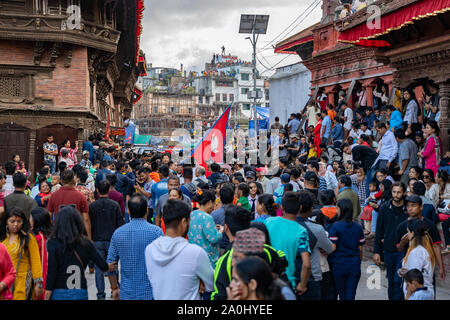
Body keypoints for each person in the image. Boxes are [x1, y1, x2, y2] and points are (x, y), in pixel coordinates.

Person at [145, 199, 214, 300]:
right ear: (184, 222)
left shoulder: (150, 250)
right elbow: (211, 283)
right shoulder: (195, 253)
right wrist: (199, 280)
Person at [45, 206, 116, 300]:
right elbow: (101, 264)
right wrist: (109, 266)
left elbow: (51, 271)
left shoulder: (53, 243)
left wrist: (48, 292)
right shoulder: (86, 243)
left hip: (59, 291)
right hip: (79, 291)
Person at [107, 194, 164, 300]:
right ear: (146, 210)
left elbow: (110, 264)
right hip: (150, 292)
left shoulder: (118, 233)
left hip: (127, 292)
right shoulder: (157, 232)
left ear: (129, 211)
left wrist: (114, 288)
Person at [264, 192, 311, 295]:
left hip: (267, 280)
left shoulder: (268, 222)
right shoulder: (301, 231)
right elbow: (306, 264)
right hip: (287, 283)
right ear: (300, 208)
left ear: (282, 208)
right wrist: (303, 285)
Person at [396, 195, 445, 284]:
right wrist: (403, 242)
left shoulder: (430, 225)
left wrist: (441, 267)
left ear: (421, 207)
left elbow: (436, 246)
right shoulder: (402, 226)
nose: (410, 208)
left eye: (413, 205)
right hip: (410, 265)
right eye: (408, 206)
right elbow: (399, 249)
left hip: (426, 267)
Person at [88, 180, 124, 300]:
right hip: (112, 239)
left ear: (97, 190)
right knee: (113, 266)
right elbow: (120, 224)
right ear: (109, 190)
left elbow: (89, 222)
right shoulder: (115, 205)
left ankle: (100, 294)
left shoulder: (92, 206)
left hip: (97, 239)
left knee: (99, 268)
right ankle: (114, 289)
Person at [373, 182, 409, 300]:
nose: (396, 195)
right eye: (394, 192)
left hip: (404, 251)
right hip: (388, 249)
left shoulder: (408, 209)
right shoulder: (384, 207)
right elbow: (379, 230)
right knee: (391, 280)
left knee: (398, 279)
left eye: (399, 192)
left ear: (404, 192)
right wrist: (376, 251)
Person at [296, 190, 333, 300]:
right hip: (312, 278)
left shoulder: (283, 226)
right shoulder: (317, 229)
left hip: (290, 275)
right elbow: (329, 248)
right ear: (311, 208)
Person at [0, 208, 43, 300]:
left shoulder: (28, 238)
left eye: (19, 221)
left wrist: (38, 283)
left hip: (22, 281)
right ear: (6, 222)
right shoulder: (2, 238)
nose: (16, 224)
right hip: (3, 281)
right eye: (12, 221)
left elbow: (35, 261)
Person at [328, 199, 365, 300]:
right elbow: (360, 248)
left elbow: (333, 247)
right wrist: (358, 261)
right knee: (351, 295)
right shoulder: (358, 227)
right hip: (354, 264)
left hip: (339, 264)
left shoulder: (336, 226)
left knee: (342, 295)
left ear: (340, 210)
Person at [47, 170, 91, 238]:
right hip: (76, 234)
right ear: (74, 180)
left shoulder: (54, 195)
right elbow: (86, 219)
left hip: (59, 233)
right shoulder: (80, 196)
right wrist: (89, 238)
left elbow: (48, 216)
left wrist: (51, 233)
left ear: (61, 181)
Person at [400, 219, 436, 299]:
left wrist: (408, 296)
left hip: (417, 295)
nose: (407, 234)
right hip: (426, 292)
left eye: (408, 232)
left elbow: (414, 279)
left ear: (413, 233)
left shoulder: (416, 252)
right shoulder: (424, 250)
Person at [188, 190, 223, 271]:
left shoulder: (192, 214)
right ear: (210, 202)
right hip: (207, 258)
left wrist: (213, 227)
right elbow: (214, 238)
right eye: (214, 204)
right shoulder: (207, 217)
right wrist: (221, 231)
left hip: (194, 256)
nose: (214, 207)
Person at [29, 207, 52, 300]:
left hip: (40, 277)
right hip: (49, 275)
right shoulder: (49, 235)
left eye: (30, 217)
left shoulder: (37, 238)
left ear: (36, 220)